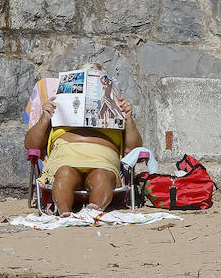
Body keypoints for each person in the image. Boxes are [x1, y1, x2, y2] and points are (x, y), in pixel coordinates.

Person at [24, 70, 141, 216]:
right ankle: (64, 212)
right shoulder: (57, 111)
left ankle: (94, 211)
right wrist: (45, 118)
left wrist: (128, 118)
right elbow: (31, 145)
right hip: (66, 156)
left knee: (102, 176)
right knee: (64, 174)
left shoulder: (115, 109)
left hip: (103, 159)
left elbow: (134, 149)